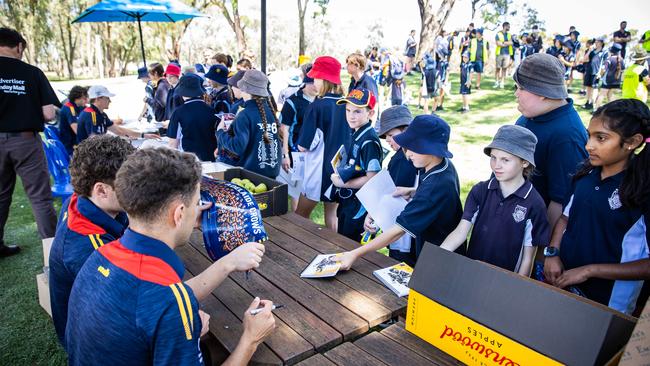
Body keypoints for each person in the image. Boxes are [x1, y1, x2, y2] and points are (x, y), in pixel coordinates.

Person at [65, 147, 275, 364]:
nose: (198, 210)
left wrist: (227, 262)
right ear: (179, 213)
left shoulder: (99, 254)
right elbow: (167, 302)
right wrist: (251, 338)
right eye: (195, 204)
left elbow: (154, 300)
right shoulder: (171, 305)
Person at [544, 99, 650, 315]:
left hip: (608, 303)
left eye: (601, 138)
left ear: (632, 142)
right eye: (589, 135)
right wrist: (552, 253)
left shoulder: (641, 192)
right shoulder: (585, 175)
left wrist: (590, 271)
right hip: (565, 284)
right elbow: (565, 218)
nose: (588, 146)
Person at [338, 115, 463, 270]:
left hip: (439, 261)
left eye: (414, 148)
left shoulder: (435, 186)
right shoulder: (442, 166)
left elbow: (398, 231)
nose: (408, 153)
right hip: (430, 249)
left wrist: (354, 254)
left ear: (432, 149)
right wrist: (413, 191)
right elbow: (439, 197)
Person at [49, 135, 134, 347]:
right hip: (95, 340)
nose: (137, 188)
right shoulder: (90, 247)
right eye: (130, 183)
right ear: (102, 190)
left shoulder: (79, 199)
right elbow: (135, 301)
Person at [440, 125, 550, 275]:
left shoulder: (535, 203)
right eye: (493, 158)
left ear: (525, 162)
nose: (496, 165)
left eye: (505, 160)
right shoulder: (480, 191)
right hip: (472, 272)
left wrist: (518, 289)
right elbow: (460, 232)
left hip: (505, 281)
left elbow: (527, 258)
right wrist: (437, 258)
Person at [0, 27, 58, 257]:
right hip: (25, 142)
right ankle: (53, 251)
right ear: (19, 47)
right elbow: (49, 114)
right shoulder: (32, 73)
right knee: (40, 198)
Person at [514, 53, 588, 231]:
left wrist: (540, 249)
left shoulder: (567, 136)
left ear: (542, 92)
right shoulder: (530, 116)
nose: (516, 93)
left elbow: (560, 202)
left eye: (520, 88)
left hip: (531, 234)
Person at [295, 56, 349, 231]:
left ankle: (299, 248)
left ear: (323, 79)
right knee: (332, 216)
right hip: (340, 168)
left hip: (318, 171)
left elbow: (305, 145)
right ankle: (334, 250)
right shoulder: (348, 104)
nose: (314, 81)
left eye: (316, 77)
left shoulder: (317, 105)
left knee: (299, 217)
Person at [331, 89, 383, 241]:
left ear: (371, 113)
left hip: (360, 207)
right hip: (350, 202)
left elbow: (372, 179)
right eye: (348, 110)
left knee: (351, 247)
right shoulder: (357, 132)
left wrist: (343, 183)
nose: (351, 116)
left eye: (357, 111)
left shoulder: (369, 141)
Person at [374, 105, 418, 266]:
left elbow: (395, 196)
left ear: (406, 131)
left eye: (391, 135)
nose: (387, 140)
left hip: (402, 231)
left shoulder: (402, 159)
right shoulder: (409, 154)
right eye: (386, 135)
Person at [217, 70, 281, 178]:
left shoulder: (244, 115)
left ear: (244, 88)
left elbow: (237, 147)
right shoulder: (270, 111)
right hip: (272, 172)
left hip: (252, 175)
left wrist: (220, 132)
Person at [76, 85, 158, 144]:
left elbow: (118, 130)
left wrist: (143, 135)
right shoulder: (91, 115)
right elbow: (94, 141)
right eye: (107, 98)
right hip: (89, 156)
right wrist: (120, 140)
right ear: (98, 99)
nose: (110, 101)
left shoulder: (101, 114)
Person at [167, 75, 218, 162]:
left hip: (189, 162)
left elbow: (173, 144)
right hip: (211, 159)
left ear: (182, 92)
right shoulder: (212, 110)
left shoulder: (178, 112)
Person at [59, 86, 89, 156]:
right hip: (71, 145)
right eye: (84, 98)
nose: (87, 101)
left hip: (76, 142)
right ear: (77, 98)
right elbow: (76, 130)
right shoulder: (69, 108)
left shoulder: (81, 106)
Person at [595, 44, 625, 109]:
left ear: (611, 51)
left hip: (607, 81)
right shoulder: (622, 60)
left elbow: (603, 69)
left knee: (601, 95)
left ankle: (595, 110)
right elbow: (622, 71)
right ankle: (614, 109)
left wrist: (600, 75)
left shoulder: (609, 59)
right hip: (617, 81)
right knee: (610, 95)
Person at [582, 38, 606, 110]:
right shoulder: (592, 51)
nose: (595, 43)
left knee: (594, 88)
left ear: (601, 43)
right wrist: (589, 50)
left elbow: (604, 64)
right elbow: (585, 59)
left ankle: (593, 103)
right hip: (589, 71)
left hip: (596, 73)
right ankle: (588, 102)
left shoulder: (604, 52)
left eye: (597, 42)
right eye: (595, 42)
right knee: (588, 88)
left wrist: (600, 73)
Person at [495, 22, 514, 89]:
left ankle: (502, 83)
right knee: (498, 68)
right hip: (499, 53)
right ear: (505, 26)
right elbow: (498, 44)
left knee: (504, 69)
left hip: (507, 54)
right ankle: (497, 82)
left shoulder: (509, 35)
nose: (509, 27)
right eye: (508, 26)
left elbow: (511, 43)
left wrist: (503, 43)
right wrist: (506, 43)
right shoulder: (498, 34)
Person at [421, 48, 438, 114]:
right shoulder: (436, 72)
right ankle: (433, 112)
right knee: (436, 99)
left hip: (426, 89)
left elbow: (422, 81)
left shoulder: (425, 72)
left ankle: (426, 114)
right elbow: (438, 80)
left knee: (426, 102)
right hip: (434, 88)